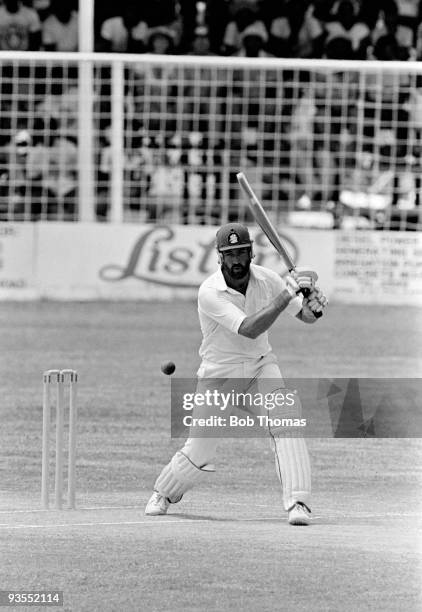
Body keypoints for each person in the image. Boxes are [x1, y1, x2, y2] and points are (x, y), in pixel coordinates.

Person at [145, 222, 328, 525]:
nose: (237, 261)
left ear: (252, 253)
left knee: (286, 420)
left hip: (260, 368)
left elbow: (305, 317)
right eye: (230, 254)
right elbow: (248, 328)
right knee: (200, 449)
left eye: (242, 252)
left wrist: (313, 307)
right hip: (220, 377)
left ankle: (298, 503)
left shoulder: (268, 280)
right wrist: (287, 294)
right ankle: (163, 493)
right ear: (219, 256)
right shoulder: (209, 292)